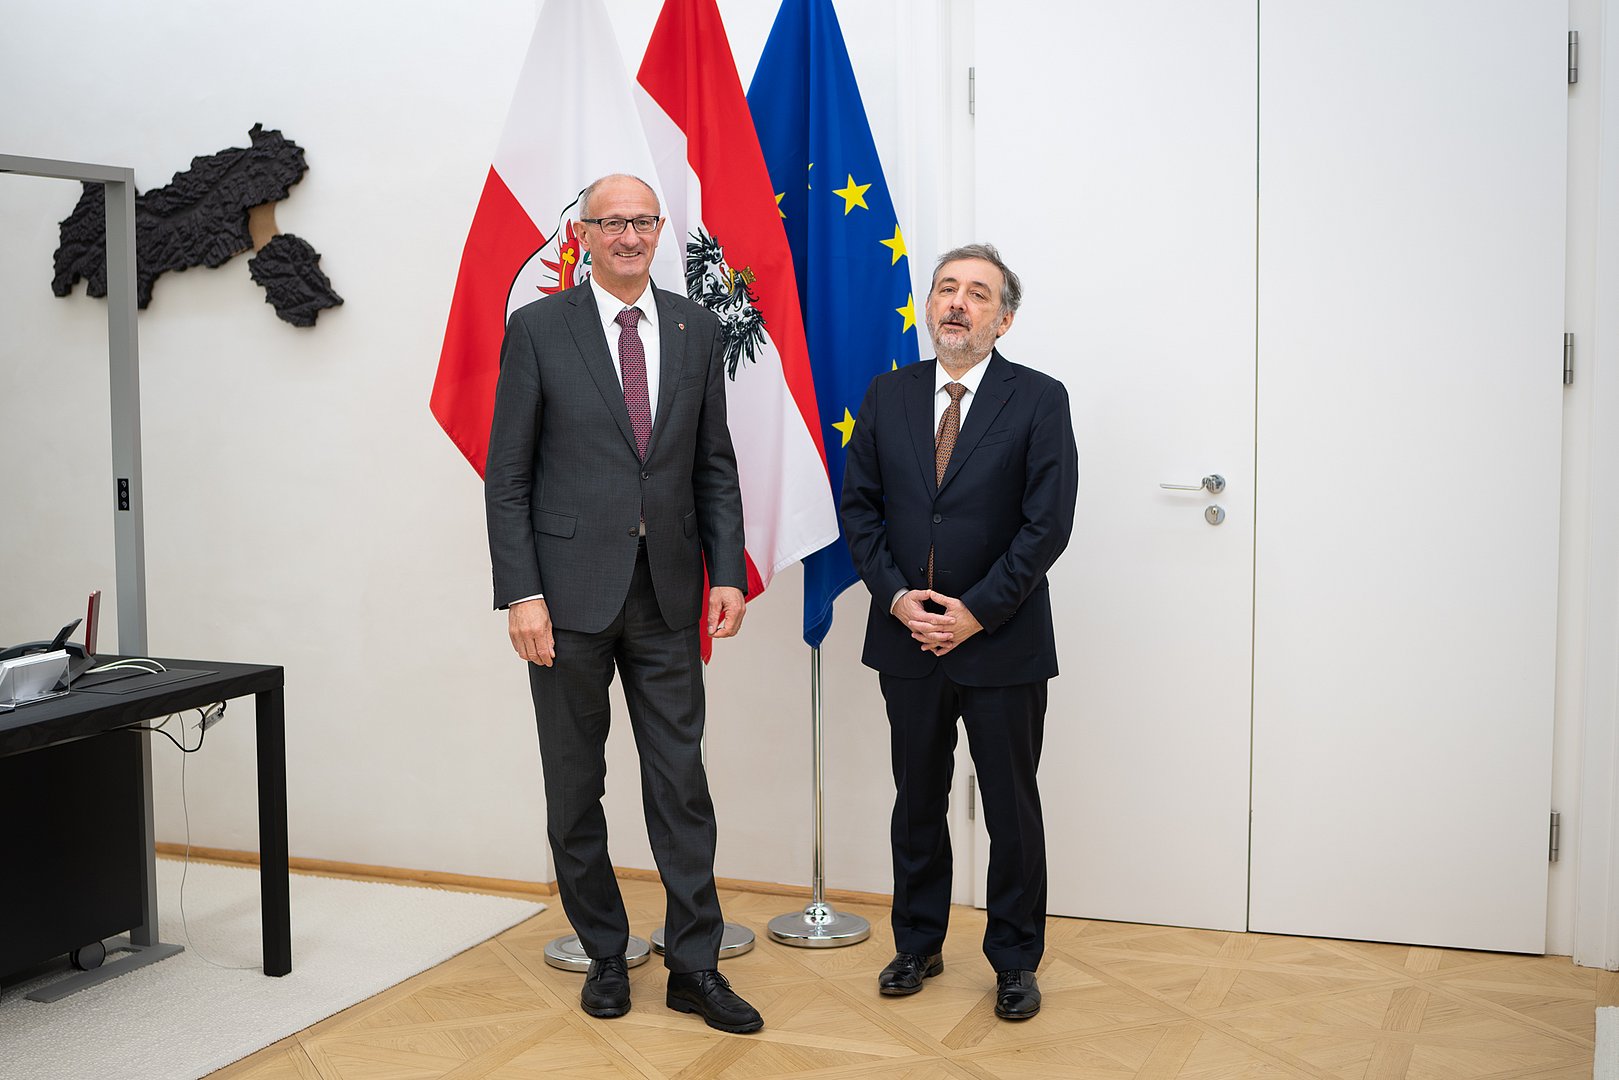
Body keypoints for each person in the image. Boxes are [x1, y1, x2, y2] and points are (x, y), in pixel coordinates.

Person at [484, 173, 763, 1034]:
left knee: (681, 784)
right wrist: (522, 593)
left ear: (659, 228)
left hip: (669, 593)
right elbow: (508, 475)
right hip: (565, 600)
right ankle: (605, 953)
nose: (629, 236)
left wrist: (726, 573)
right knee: (575, 784)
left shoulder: (694, 327)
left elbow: (713, 462)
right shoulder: (539, 328)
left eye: (642, 221)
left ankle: (694, 965)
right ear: (583, 234)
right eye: (611, 223)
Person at [840, 243, 1079, 1021]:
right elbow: (860, 509)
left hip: (1002, 640)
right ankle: (916, 943)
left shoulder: (1038, 399)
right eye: (946, 288)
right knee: (916, 798)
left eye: (977, 293)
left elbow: (1046, 526)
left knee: (1009, 806)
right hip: (906, 638)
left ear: (1001, 319)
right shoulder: (888, 394)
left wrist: (976, 611)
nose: (956, 303)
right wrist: (894, 597)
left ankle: (1013, 960)